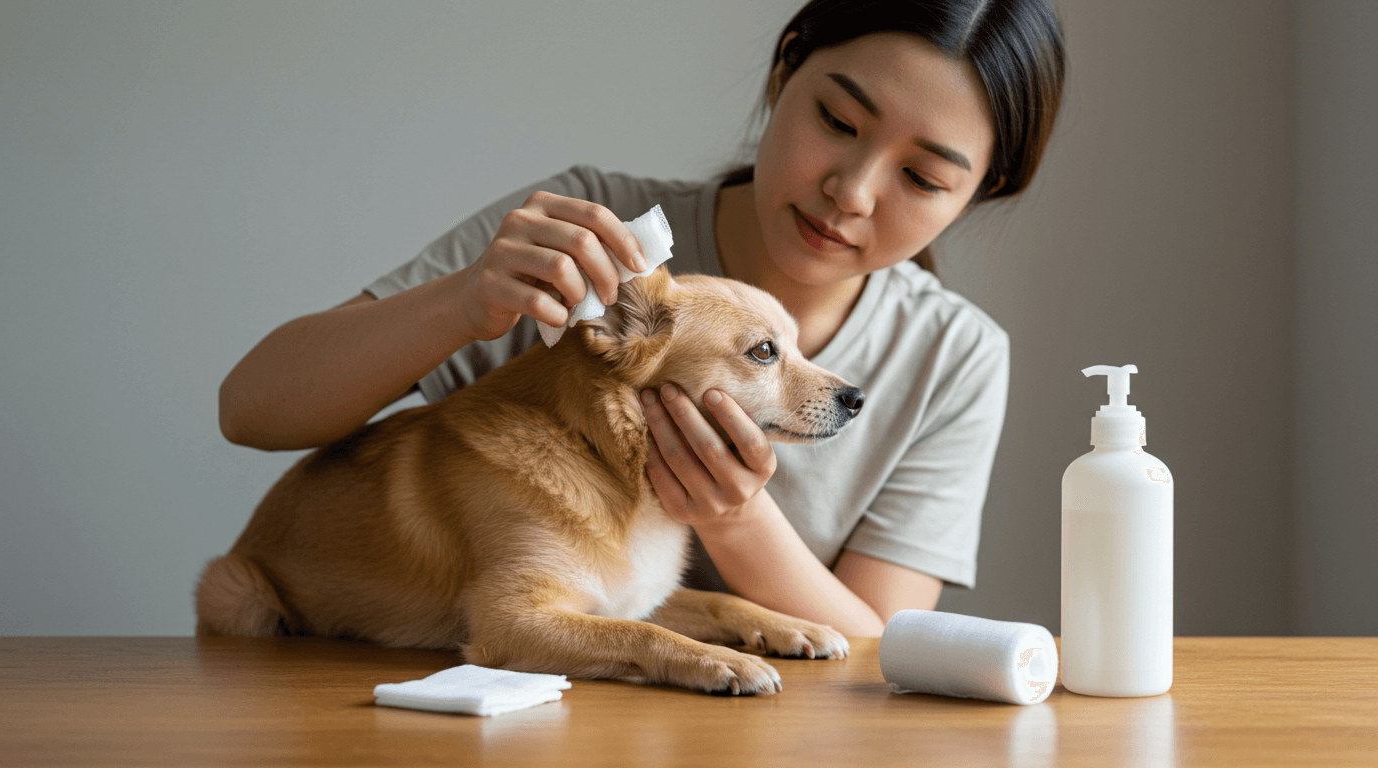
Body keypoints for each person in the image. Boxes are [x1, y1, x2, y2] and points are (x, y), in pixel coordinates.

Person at [217, 0, 1066, 638]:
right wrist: (462, 298)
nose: (851, 191)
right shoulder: (592, 236)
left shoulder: (953, 357)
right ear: (784, 72)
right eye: (838, 121)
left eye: (922, 178)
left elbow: (878, 643)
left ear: (981, 193)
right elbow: (250, 408)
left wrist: (731, 514)